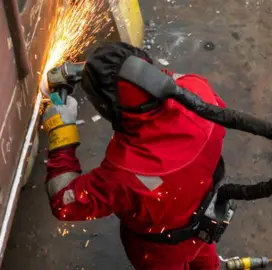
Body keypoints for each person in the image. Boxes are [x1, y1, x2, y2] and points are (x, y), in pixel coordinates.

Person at [41, 42, 226, 270]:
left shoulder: (126, 171)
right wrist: (92, 71)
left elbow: (63, 203)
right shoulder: (198, 89)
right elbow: (159, 78)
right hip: (205, 220)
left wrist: (62, 132)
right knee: (205, 261)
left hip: (161, 249)